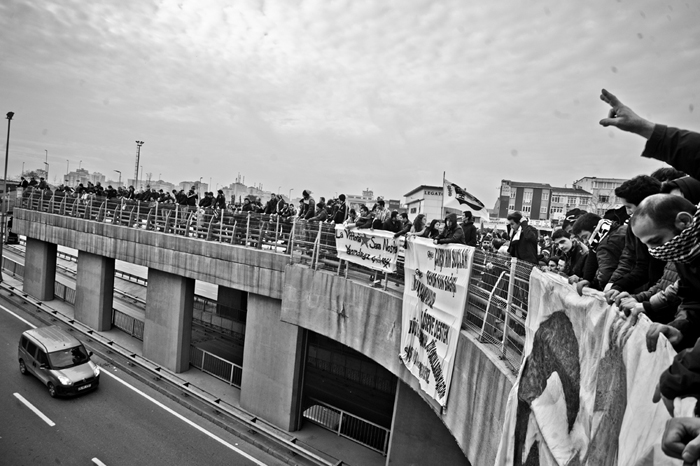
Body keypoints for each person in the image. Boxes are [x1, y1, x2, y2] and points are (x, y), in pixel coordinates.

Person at [604, 175, 664, 303]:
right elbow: (639, 265)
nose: (628, 212)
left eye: (629, 207)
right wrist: (617, 285)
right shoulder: (633, 226)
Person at [570, 212, 626, 292]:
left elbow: (605, 276)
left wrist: (592, 284)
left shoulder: (606, 243)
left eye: (585, 237)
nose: (585, 241)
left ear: (595, 229)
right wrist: (587, 279)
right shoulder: (615, 231)